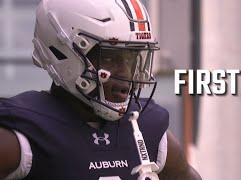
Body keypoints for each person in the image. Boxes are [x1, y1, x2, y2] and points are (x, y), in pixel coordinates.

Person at [0, 0, 201, 179]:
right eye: (110, 57)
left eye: (131, 58)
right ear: (63, 52)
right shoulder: (21, 135)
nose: (125, 74)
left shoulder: (146, 128)